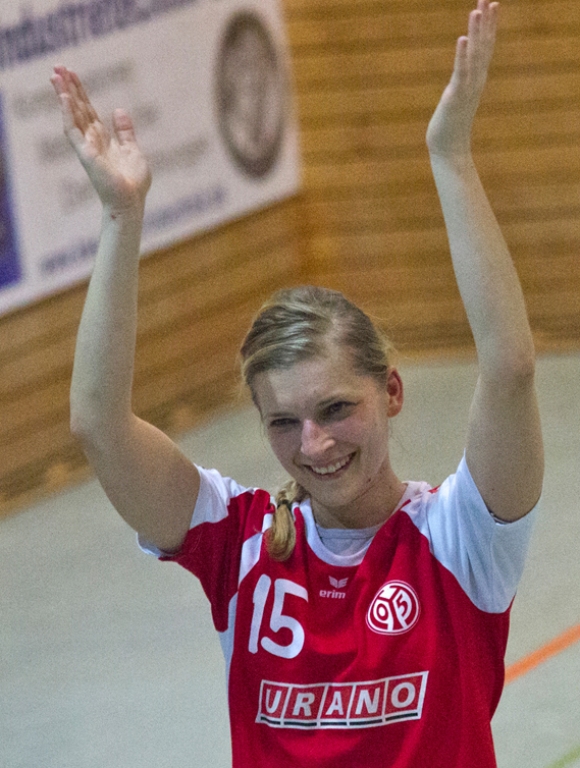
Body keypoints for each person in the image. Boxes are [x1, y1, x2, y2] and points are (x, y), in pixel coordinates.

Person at [51, 1, 543, 765]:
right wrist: (121, 220)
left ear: (393, 393)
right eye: (283, 421)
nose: (313, 444)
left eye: (336, 408)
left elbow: (509, 368)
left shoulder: (462, 540)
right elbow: (97, 425)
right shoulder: (237, 543)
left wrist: (450, 157)